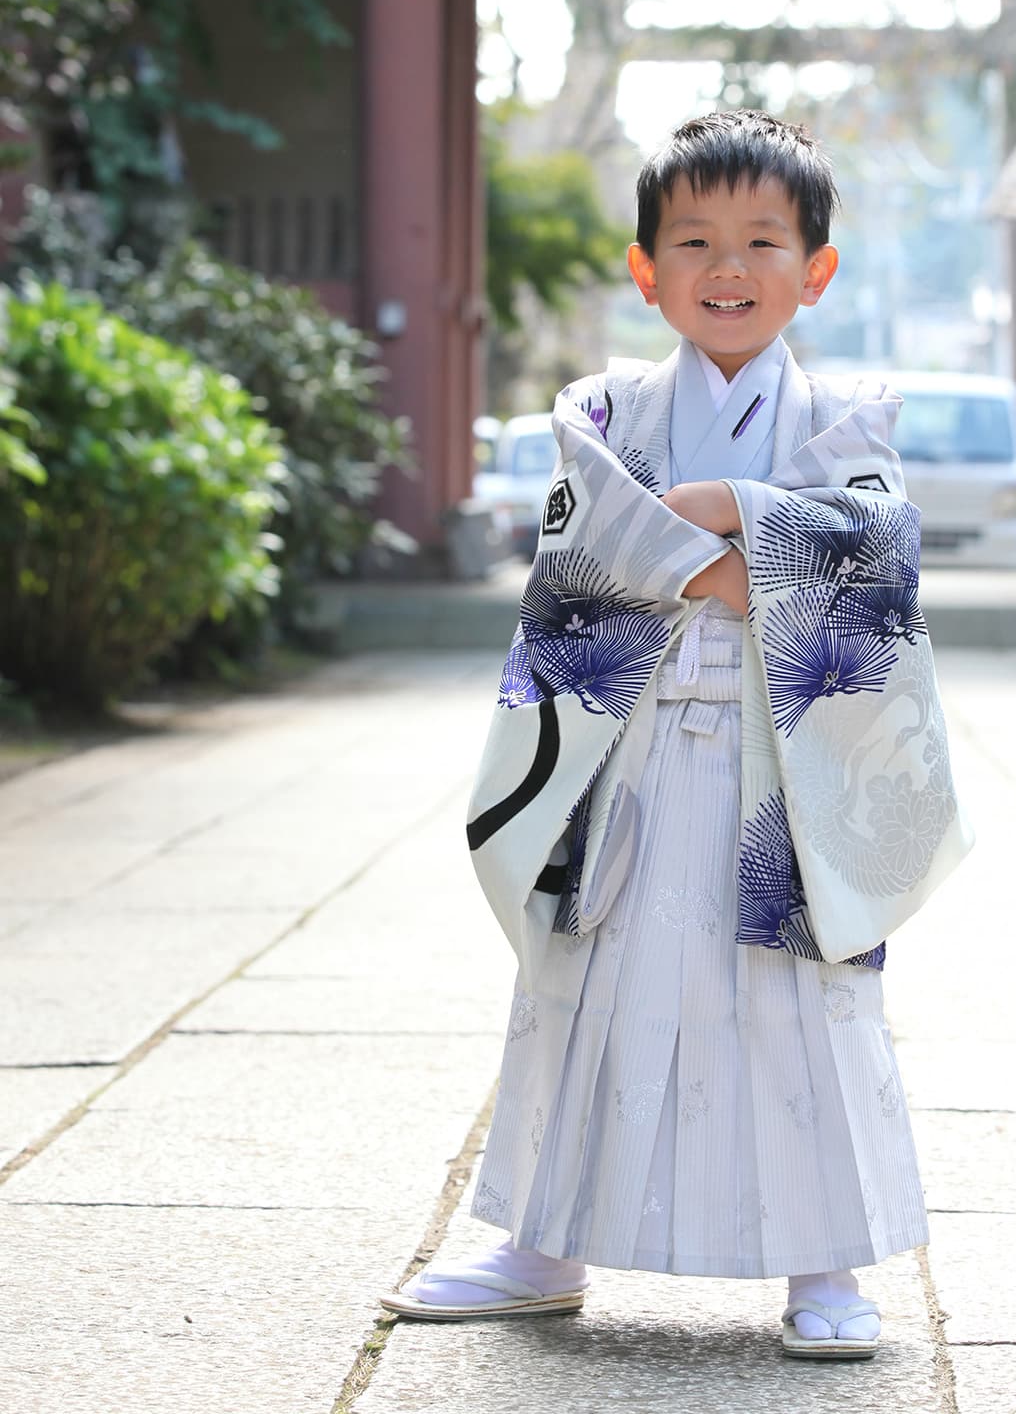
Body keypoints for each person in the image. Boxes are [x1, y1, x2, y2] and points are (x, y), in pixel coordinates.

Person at [380, 110, 974, 1359]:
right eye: (694, 238)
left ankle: (829, 1264)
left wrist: (700, 516)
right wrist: (759, 538)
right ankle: (542, 1245)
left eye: (765, 240)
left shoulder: (853, 414)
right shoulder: (596, 409)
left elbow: (864, 568)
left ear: (816, 269)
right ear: (645, 268)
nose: (729, 266)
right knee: (588, 984)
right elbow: (595, 555)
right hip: (628, 751)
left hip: (785, 769)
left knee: (800, 1002)